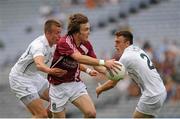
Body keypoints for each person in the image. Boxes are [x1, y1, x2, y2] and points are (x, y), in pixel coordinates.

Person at [48, 13, 117, 118]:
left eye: (89, 28)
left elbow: (96, 65)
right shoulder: (64, 42)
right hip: (58, 86)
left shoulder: (87, 45)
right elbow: (79, 58)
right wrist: (104, 62)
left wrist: (111, 73)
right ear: (76, 32)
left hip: (75, 84)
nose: (89, 32)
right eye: (85, 29)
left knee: (91, 113)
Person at [96, 31, 167, 118]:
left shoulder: (126, 57)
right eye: (115, 42)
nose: (115, 45)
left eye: (118, 42)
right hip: (160, 90)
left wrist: (100, 89)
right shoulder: (137, 49)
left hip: (152, 94)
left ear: (127, 43)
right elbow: (113, 73)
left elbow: (112, 82)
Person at [9, 19, 67, 118]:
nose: (59, 36)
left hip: (34, 76)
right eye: (57, 33)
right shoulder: (38, 45)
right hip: (20, 79)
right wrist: (51, 71)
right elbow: (39, 64)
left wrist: (88, 69)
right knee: (41, 115)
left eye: (60, 33)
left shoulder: (54, 44)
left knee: (59, 99)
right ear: (48, 33)